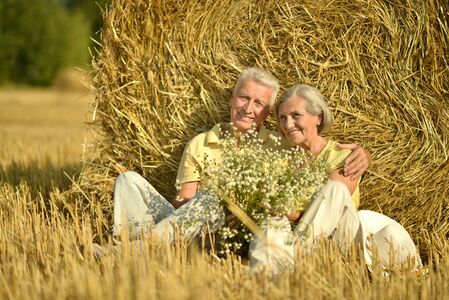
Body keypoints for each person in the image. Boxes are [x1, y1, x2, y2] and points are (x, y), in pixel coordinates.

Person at [111, 68, 371, 245]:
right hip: (196, 222)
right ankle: (140, 251)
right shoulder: (201, 143)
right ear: (231, 100)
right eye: (243, 98)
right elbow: (185, 200)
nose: (248, 108)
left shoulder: (281, 145)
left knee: (213, 200)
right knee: (127, 180)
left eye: (258, 104)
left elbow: (313, 156)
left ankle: (138, 250)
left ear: (268, 113)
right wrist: (191, 206)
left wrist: (364, 154)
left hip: (237, 229)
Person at [248, 84, 422, 273]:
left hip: (344, 243)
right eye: (283, 117)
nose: (288, 124)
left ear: (318, 118)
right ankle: (265, 282)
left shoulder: (343, 155)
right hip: (299, 240)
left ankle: (294, 259)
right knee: (270, 223)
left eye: (296, 115)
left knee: (334, 189)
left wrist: (291, 211)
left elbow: (332, 200)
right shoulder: (280, 158)